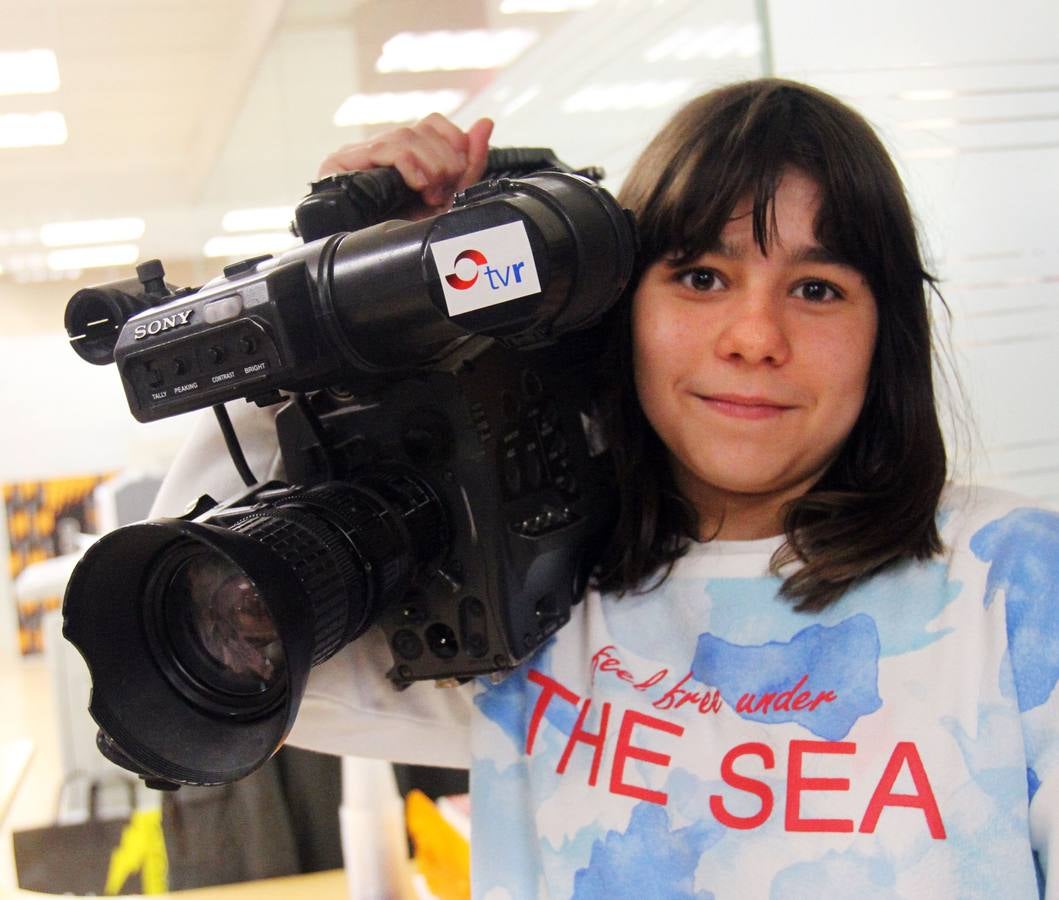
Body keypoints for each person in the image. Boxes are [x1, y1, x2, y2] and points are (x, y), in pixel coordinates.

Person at [151, 79, 1059, 898]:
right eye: (701, 277)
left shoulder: (1014, 582)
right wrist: (350, 298)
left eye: (817, 288)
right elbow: (198, 641)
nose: (754, 336)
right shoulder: (536, 603)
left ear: (882, 331)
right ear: (623, 308)